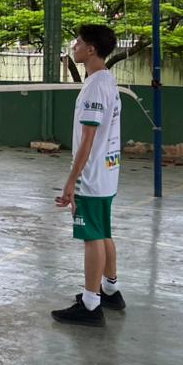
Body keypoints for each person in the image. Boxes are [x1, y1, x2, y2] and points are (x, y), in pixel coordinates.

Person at [51, 23, 125, 326]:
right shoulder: (107, 80)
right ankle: (110, 290)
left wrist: (71, 180)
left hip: (93, 175)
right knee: (103, 230)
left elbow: (89, 138)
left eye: (78, 43)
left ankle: (91, 305)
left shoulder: (95, 86)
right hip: (108, 171)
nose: (74, 46)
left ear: (91, 49)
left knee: (91, 236)